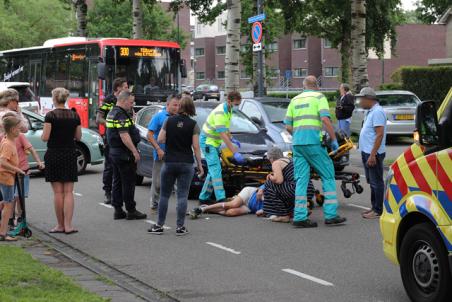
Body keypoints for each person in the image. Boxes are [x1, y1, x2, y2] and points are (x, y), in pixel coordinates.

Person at [285, 76, 346, 228]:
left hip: (298, 144)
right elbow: (325, 120)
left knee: (301, 180)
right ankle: (331, 215)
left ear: (303, 86)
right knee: (328, 175)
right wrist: (333, 139)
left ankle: (299, 217)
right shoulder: (319, 97)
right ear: (317, 86)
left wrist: (299, 135)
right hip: (313, 143)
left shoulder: (295, 100)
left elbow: (287, 126)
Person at [148, 96, 203, 235]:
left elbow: (160, 138)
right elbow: (196, 147)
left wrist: (171, 139)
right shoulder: (194, 125)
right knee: (182, 195)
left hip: (170, 162)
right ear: (191, 108)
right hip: (186, 163)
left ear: (180, 107)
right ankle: (180, 227)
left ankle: (159, 226)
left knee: (164, 195)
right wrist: (200, 165)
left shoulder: (168, 120)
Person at [41, 88, 81, 234]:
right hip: (70, 153)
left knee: (58, 193)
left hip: (54, 153)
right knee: (69, 191)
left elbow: (45, 137)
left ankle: (60, 225)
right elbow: (79, 137)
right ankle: (69, 225)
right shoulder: (74, 115)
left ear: (54, 99)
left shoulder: (50, 116)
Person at [106, 91, 147, 221]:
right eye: (130, 102)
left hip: (115, 152)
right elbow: (124, 135)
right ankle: (131, 210)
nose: (132, 104)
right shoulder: (120, 114)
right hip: (124, 153)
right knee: (128, 182)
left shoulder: (113, 112)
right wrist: (134, 151)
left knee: (117, 181)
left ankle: (118, 210)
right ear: (123, 101)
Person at [198, 91, 245, 203]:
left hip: (214, 142)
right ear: (229, 101)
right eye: (236, 104)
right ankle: (221, 199)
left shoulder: (228, 110)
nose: (237, 106)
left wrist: (232, 138)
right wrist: (234, 152)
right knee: (216, 170)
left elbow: (225, 129)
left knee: (212, 171)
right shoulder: (220, 112)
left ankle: (203, 198)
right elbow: (222, 135)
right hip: (208, 142)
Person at [96, 78, 129, 204]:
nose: (127, 89)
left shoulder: (126, 100)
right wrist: (112, 125)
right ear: (118, 88)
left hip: (124, 136)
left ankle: (120, 192)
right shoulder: (109, 100)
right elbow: (99, 119)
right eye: (125, 87)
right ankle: (108, 191)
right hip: (111, 137)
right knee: (110, 165)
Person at [356, 87, 387, 219]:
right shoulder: (370, 111)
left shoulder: (378, 112)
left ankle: (378, 210)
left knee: (376, 182)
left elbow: (379, 134)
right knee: (372, 182)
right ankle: (374, 207)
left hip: (373, 153)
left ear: (369, 99)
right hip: (367, 152)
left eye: (361, 99)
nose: (360, 101)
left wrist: (373, 154)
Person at [263, 147, 316, 223]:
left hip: (296, 189)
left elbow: (279, 180)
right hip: (309, 188)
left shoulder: (276, 163)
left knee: (269, 184)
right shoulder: (290, 160)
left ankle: (283, 215)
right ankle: (298, 210)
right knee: (285, 188)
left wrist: (270, 177)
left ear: (271, 158)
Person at [147, 95, 180, 211]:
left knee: (178, 183)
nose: (177, 108)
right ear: (168, 105)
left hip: (176, 155)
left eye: (178, 105)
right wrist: (158, 149)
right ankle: (154, 204)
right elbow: (149, 135)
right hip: (161, 155)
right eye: (175, 105)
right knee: (158, 183)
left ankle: (180, 206)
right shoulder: (159, 117)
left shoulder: (179, 118)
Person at [0, 114, 25, 241]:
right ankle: (3, 233)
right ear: (12, 130)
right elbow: (2, 161)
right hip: (6, 177)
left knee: (5, 202)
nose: (20, 131)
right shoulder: (8, 144)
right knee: (8, 205)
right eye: (18, 128)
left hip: (6, 177)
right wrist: (17, 169)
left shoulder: (7, 140)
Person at [190, 185, 265, 219]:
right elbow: (266, 184)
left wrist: (263, 212)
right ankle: (201, 210)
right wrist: (261, 190)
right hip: (250, 194)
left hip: (250, 208)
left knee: (231, 212)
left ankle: (207, 208)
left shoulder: (275, 208)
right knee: (233, 204)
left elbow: (258, 213)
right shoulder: (275, 188)